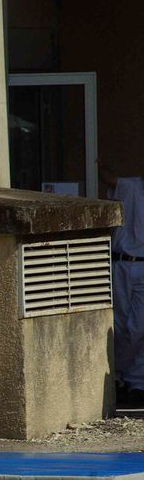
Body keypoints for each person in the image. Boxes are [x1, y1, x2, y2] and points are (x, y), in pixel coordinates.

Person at [100, 163, 144, 404]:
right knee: (119, 323)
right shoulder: (132, 185)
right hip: (123, 263)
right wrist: (100, 160)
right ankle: (124, 378)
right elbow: (109, 179)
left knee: (138, 327)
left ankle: (132, 378)